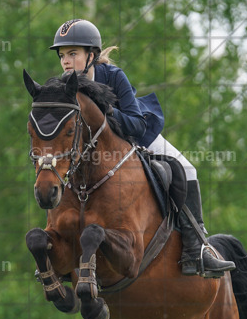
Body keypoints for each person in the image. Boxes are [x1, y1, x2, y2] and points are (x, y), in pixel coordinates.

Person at [50, 18, 235, 278]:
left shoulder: (113, 76)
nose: (65, 61)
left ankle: (197, 248)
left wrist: (107, 113)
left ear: (91, 55)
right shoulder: (65, 88)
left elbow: (136, 124)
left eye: (72, 54)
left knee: (187, 168)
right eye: (62, 56)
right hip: (96, 155)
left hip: (138, 136)